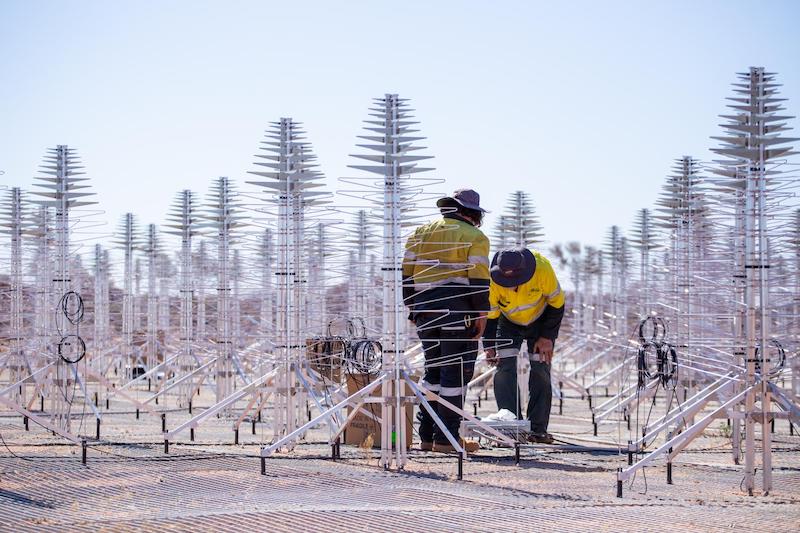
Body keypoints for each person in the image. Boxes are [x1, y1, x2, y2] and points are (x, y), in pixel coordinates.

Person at [402, 189, 490, 453]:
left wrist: (414, 309)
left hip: (425, 311)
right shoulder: (475, 236)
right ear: (473, 213)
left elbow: (406, 275)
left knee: (434, 371)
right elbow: (478, 280)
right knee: (456, 373)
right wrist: (481, 315)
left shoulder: (420, 233)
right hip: (457, 312)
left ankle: (427, 437)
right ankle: (447, 439)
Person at [483, 247, 565, 444]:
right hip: (507, 322)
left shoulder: (543, 268)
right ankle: (512, 428)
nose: (511, 286)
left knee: (540, 368)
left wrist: (547, 336)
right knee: (504, 368)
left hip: (541, 320)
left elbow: (557, 303)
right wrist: (489, 345)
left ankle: (537, 430)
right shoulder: (492, 280)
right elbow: (491, 316)